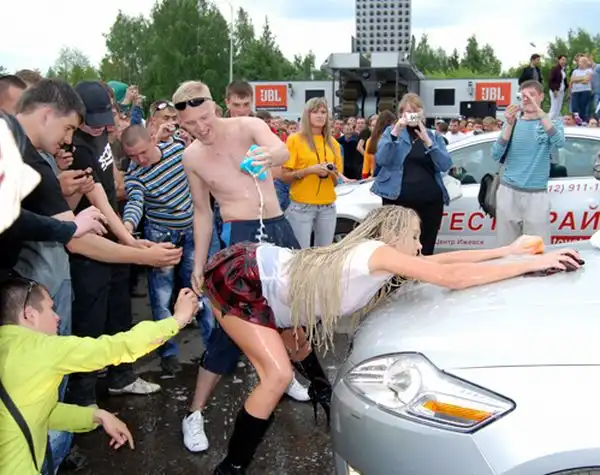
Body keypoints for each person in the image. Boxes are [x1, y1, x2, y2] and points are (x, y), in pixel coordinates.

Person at [204, 205, 583, 474]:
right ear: (393, 234)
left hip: (265, 279)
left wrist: (508, 252)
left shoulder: (374, 258)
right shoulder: (376, 252)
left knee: (299, 344)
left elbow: (442, 263)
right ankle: (231, 468)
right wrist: (534, 263)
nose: (419, 246)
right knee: (277, 377)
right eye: (414, 237)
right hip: (242, 278)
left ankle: (323, 395)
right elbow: (452, 277)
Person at [173, 80, 313, 453]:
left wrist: (269, 157)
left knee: (291, 315)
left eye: (204, 118)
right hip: (239, 238)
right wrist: (198, 264)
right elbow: (202, 212)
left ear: (215, 107)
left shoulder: (247, 125)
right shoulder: (191, 157)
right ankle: (194, 412)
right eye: (190, 125)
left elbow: (282, 150)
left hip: (277, 227)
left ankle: (282, 375)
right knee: (230, 333)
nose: (200, 128)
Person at [0, 278, 199, 475]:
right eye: (51, 309)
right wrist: (177, 320)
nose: (57, 317)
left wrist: (97, 416)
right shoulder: (41, 350)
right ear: (30, 315)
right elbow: (115, 347)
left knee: (60, 435)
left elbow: (39, 412)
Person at [121, 125, 214, 375]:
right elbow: (135, 202)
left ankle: (213, 349)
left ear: (153, 140)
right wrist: (127, 227)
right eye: (133, 156)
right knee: (161, 297)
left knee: (199, 288)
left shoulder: (177, 152)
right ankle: (168, 352)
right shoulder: (134, 175)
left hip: (192, 230)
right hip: (161, 236)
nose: (140, 160)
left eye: (143, 152)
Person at [371, 93, 453, 255]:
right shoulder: (391, 133)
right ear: (401, 114)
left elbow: (445, 165)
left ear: (422, 113)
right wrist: (396, 130)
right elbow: (381, 159)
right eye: (408, 112)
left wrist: (428, 142)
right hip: (397, 200)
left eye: (416, 111)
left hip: (430, 202)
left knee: (426, 247)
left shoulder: (433, 136)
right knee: (396, 246)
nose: (412, 115)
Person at [492, 80, 565, 245]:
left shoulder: (552, 122)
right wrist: (509, 124)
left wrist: (541, 114)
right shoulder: (514, 123)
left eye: (532, 95)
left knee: (536, 247)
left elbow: (559, 142)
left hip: (536, 193)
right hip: (509, 191)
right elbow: (496, 153)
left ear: (541, 97)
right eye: (523, 96)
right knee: (507, 247)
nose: (527, 99)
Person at [281, 98, 345, 248]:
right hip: (301, 205)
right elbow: (284, 176)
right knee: (301, 254)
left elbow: (337, 182)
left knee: (324, 255)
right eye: (315, 112)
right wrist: (309, 171)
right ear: (307, 115)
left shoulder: (333, 143)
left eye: (323, 112)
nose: (320, 116)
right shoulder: (295, 140)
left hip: (328, 206)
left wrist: (330, 173)